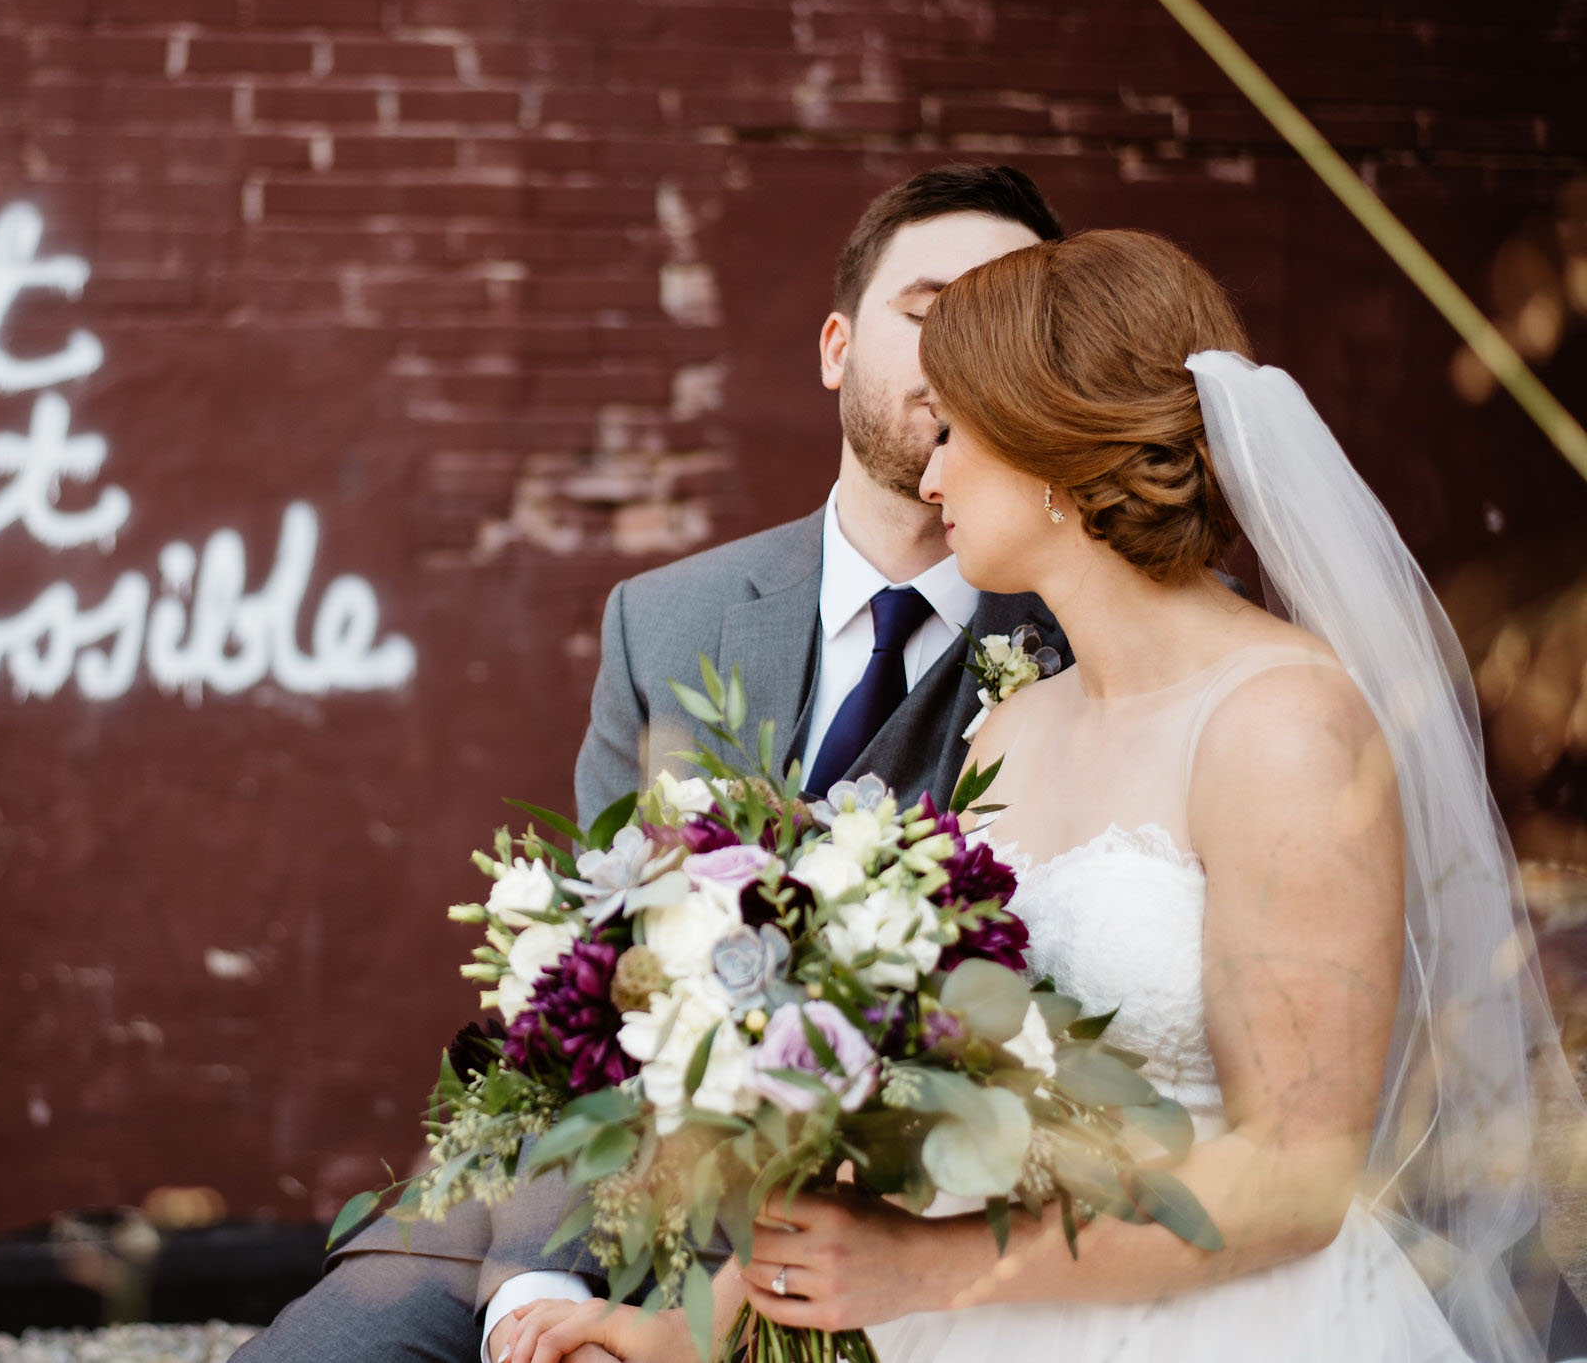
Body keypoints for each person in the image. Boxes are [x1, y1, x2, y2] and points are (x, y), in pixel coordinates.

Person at [493, 229, 1586, 1363]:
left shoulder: (1282, 726)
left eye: (954, 431)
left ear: (1050, 449)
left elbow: (1296, 1174)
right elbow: (913, 1101)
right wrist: (679, 1332)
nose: (927, 475)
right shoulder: (1010, 728)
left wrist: (935, 1269)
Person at [234, 163, 1072, 1363]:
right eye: (930, 308)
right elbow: (583, 996)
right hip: (579, 1187)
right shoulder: (665, 619)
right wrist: (526, 1291)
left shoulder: (1084, 635)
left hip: (863, 1250)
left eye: (1008, 318)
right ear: (835, 346)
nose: (965, 350)